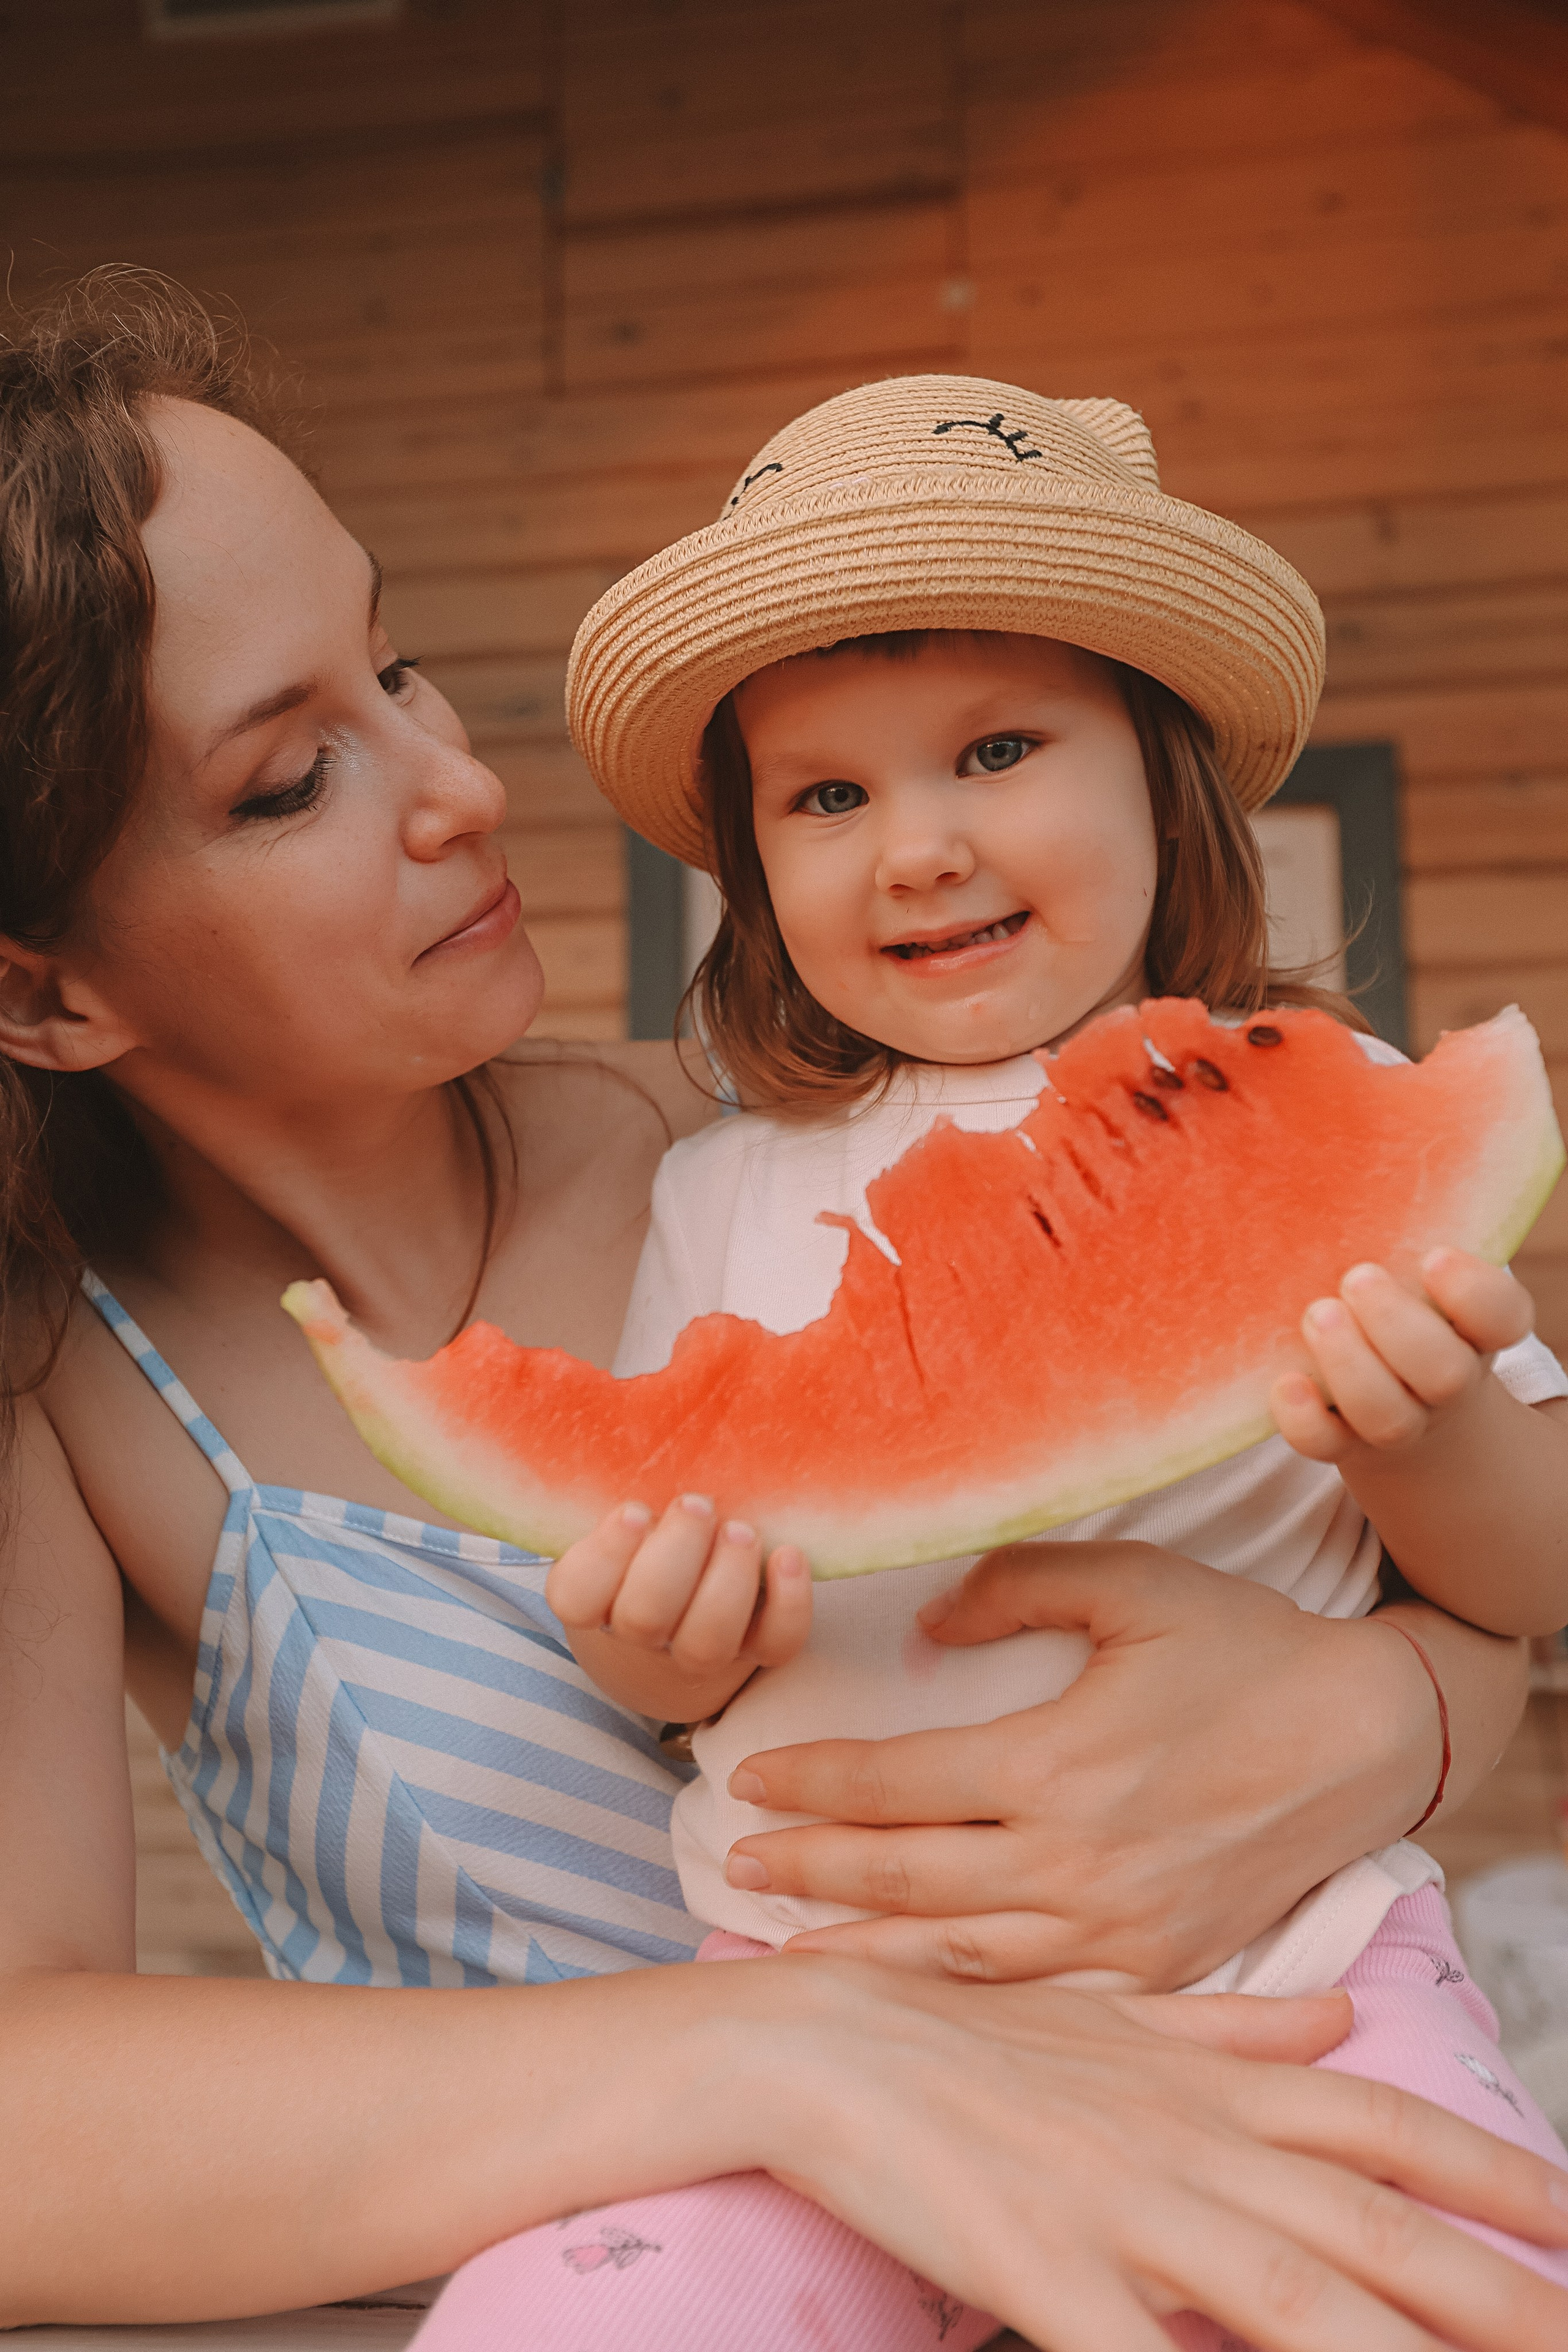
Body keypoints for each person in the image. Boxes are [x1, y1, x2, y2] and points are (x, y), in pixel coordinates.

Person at [2, 280, 1566, 2352]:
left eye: (401, 666)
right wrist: (793, 2054)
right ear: (44, 990)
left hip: (1262, 2061)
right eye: (292, 778)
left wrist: (1384, 1720)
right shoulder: (61, 1383)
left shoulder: (794, 1139)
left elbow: (1462, 1577)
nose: (462, 787)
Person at [421, 377, 1568, 2351]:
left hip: (1283, 1969)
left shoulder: (1342, 1117)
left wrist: (1433, 1427)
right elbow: (649, 1632)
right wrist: (655, 1637)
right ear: (755, 874)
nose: (920, 846)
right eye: (828, 797)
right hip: (824, 2012)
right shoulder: (719, 1196)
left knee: (1456, 2301)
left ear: (1165, 777)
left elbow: (1531, 1580)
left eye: (1000, 749)